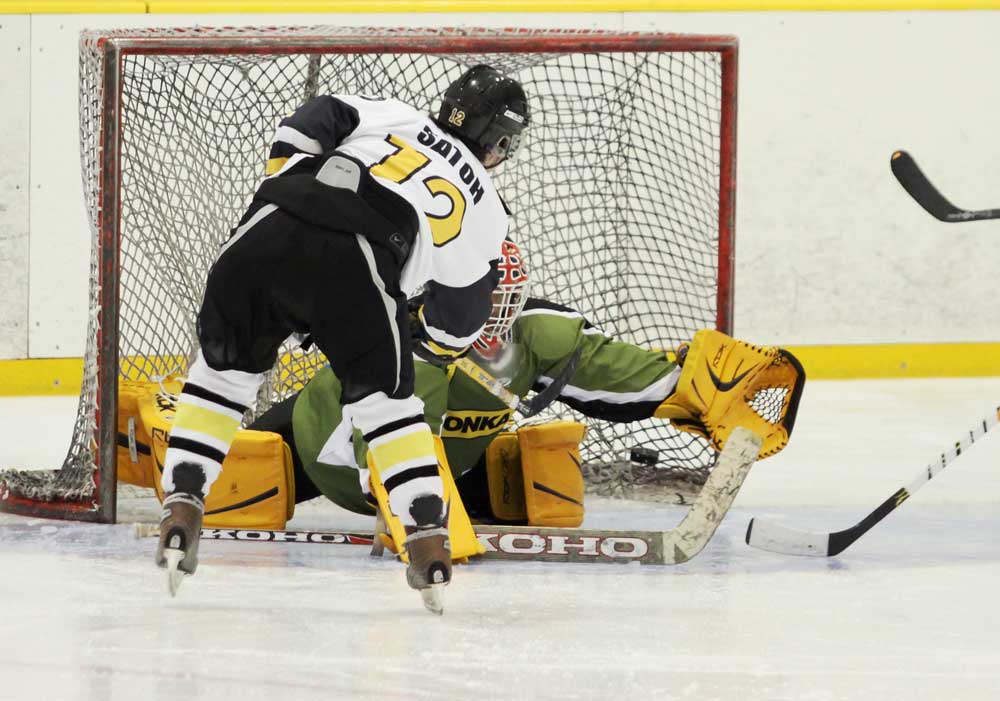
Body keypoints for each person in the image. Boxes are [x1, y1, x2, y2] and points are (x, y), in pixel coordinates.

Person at [154, 64, 531, 612]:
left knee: (221, 377)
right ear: (500, 141)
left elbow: (317, 115)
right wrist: (425, 344)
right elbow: (461, 318)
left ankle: (183, 503)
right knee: (389, 410)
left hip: (270, 223)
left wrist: (287, 184)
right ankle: (427, 540)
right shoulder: (487, 206)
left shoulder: (397, 115)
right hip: (359, 259)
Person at [240, 240, 805, 532]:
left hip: (445, 471)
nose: (496, 314)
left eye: (504, 297)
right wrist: (418, 518)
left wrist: (692, 385)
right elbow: (383, 458)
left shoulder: (532, 335)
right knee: (240, 480)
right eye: (482, 299)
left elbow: (617, 376)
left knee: (539, 487)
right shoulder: (405, 348)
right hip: (317, 449)